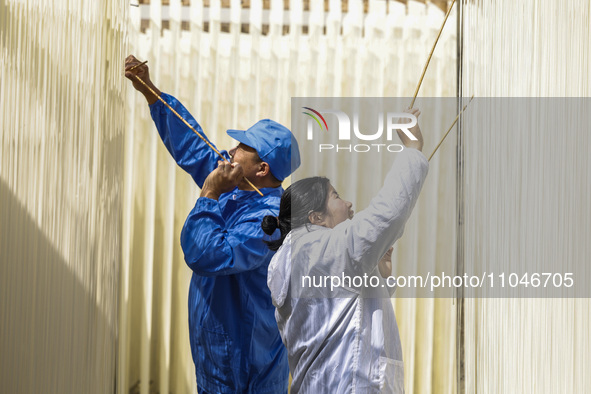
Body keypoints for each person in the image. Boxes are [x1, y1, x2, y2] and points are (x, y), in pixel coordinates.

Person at [125, 55, 299, 393]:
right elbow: (195, 146)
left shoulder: (271, 222)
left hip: (243, 367)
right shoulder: (243, 189)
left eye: (240, 148)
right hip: (222, 359)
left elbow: (205, 254)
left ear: (261, 168)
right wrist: (151, 93)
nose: (230, 152)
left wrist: (209, 193)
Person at [262, 108, 427, 393]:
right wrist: (412, 150)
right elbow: (384, 215)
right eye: (336, 196)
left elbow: (339, 313)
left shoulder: (301, 255)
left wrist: (380, 277)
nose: (348, 204)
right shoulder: (316, 250)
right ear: (315, 217)